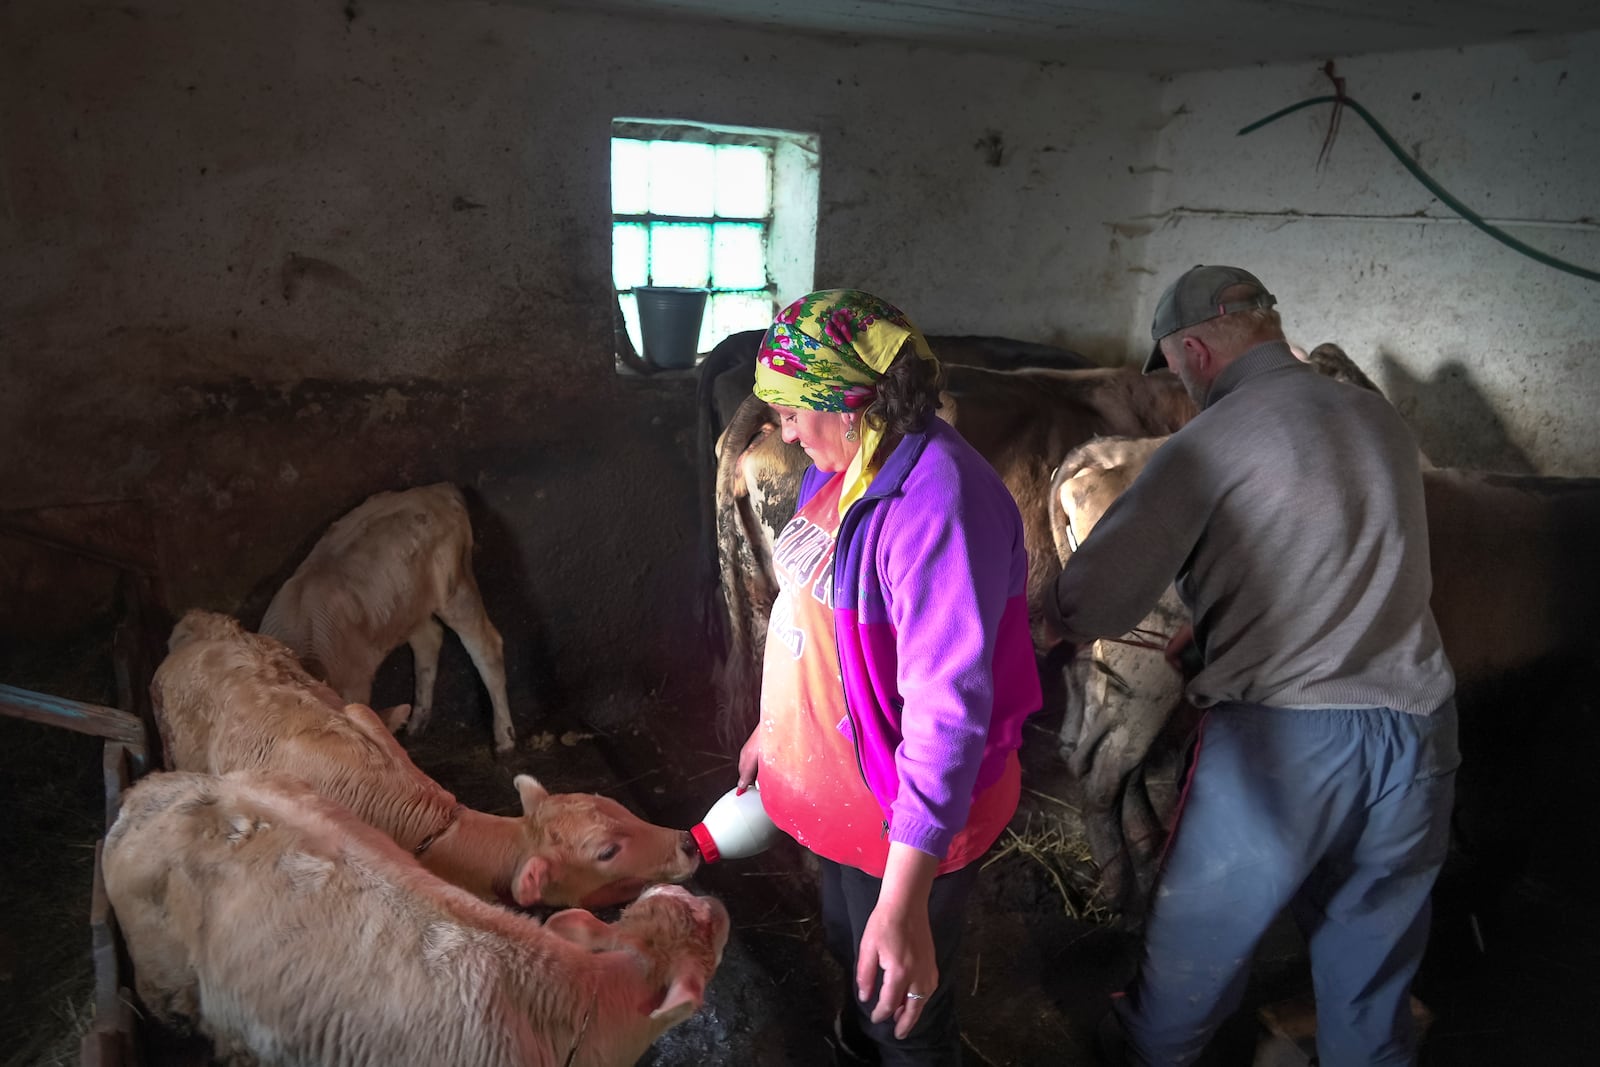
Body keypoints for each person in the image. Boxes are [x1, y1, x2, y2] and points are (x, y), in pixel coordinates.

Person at [1047, 265, 1459, 1067]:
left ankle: (1144, 1054)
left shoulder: (1206, 443)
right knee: (1370, 960)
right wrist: (1209, 641)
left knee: (1193, 951)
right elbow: (1343, 570)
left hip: (1287, 746)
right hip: (1419, 730)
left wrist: (1043, 613)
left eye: (1174, 366)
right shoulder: (1378, 420)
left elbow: (1092, 603)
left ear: (1195, 350)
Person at [734, 289, 1041, 1065]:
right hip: (844, 782)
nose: (784, 430)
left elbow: (948, 710)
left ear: (852, 402)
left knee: (901, 1001)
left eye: (794, 407)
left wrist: (905, 901)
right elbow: (812, 621)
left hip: (909, 810)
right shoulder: (840, 471)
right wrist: (773, 729)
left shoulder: (941, 505)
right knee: (848, 940)